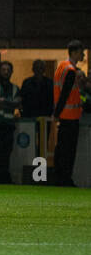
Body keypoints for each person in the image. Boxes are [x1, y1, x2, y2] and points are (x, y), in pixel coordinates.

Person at [50, 40, 90, 186]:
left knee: (61, 149)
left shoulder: (61, 67)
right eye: (81, 52)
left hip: (64, 116)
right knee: (68, 151)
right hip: (70, 116)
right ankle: (65, 178)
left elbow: (59, 93)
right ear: (74, 52)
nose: (83, 54)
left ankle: (59, 177)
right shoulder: (71, 71)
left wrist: (56, 113)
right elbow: (66, 93)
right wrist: (57, 113)